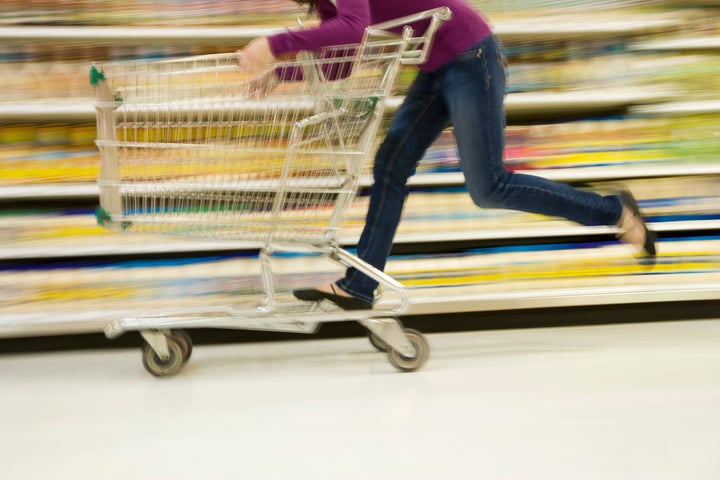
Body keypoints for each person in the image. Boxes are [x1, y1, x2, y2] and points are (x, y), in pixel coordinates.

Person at [240, 0, 657, 310]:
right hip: (435, 68)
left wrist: (275, 44)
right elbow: (346, 59)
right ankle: (360, 284)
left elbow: (353, 28)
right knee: (391, 165)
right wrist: (281, 73)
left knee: (489, 186)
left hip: (471, 57)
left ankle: (613, 211)